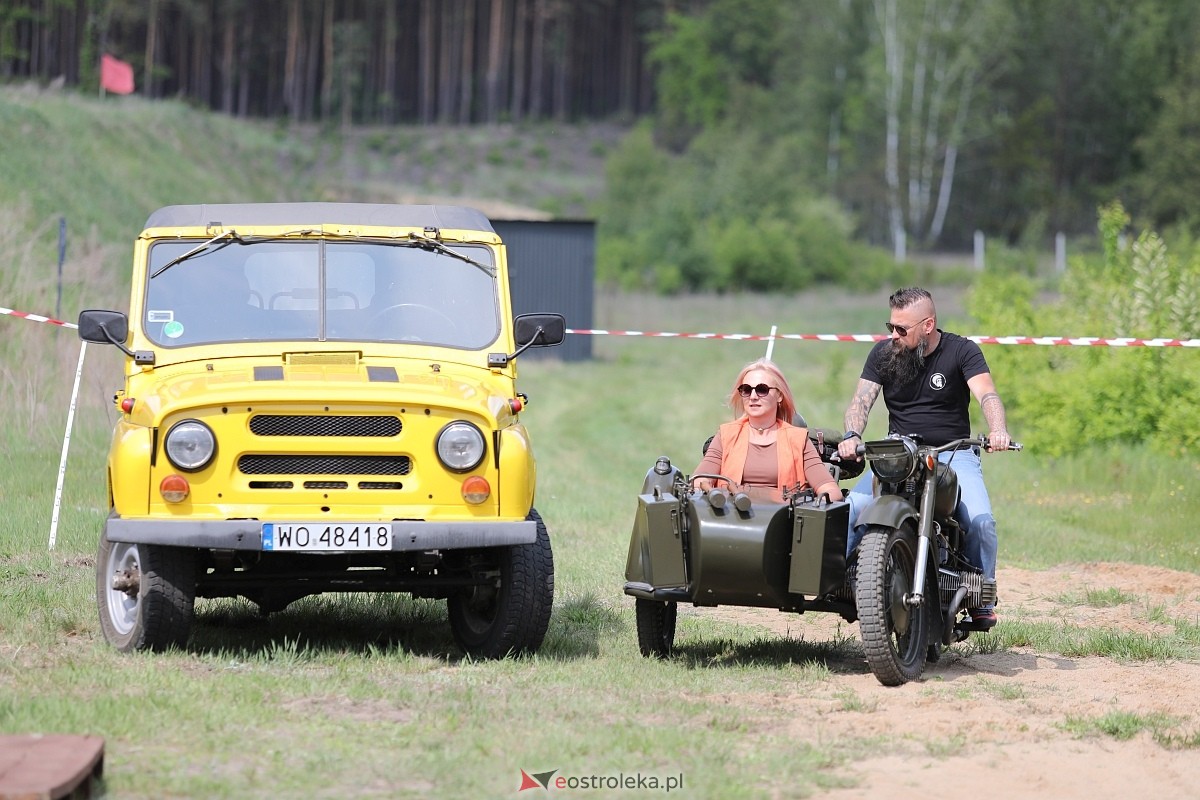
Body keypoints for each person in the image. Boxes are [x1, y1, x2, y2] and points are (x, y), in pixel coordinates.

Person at [835, 287, 1012, 629]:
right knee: (852, 508)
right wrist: (852, 436)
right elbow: (861, 401)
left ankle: (981, 597)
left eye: (902, 329)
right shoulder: (883, 354)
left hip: (953, 452)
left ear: (928, 325)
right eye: (891, 327)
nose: (893, 335)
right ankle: (837, 581)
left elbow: (986, 393)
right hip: (898, 450)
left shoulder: (962, 351)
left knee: (980, 522)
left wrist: (999, 430)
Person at [695, 359, 843, 502]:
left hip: (783, 522)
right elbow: (698, 480)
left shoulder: (798, 439)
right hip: (730, 517)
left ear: (779, 396)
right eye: (746, 390)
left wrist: (811, 506)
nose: (753, 397)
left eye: (762, 390)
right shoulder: (726, 435)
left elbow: (831, 491)